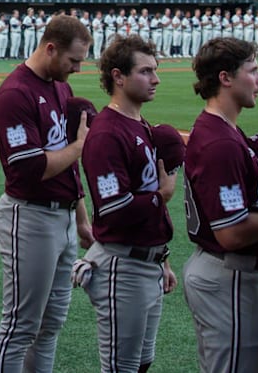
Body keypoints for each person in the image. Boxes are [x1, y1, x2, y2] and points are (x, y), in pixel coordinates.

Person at [0, 14, 94, 373]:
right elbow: (29, 169)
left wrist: (81, 217)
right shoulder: (16, 92)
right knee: (20, 327)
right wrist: (80, 147)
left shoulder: (59, 86)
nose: (77, 69)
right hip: (29, 214)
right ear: (50, 48)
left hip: (62, 216)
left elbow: (66, 163)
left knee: (50, 327)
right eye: (73, 60)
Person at [78, 34, 178, 373]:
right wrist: (161, 196)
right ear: (118, 76)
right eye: (146, 71)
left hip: (146, 263)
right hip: (123, 266)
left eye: (155, 70)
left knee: (141, 362)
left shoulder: (140, 125)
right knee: (122, 367)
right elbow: (114, 209)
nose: (156, 79)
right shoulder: (107, 132)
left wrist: (161, 258)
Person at [183, 37, 258, 373]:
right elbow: (232, 234)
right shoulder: (220, 141)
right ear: (225, 78)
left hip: (226, 273)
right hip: (229, 272)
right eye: (252, 70)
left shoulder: (223, 131)